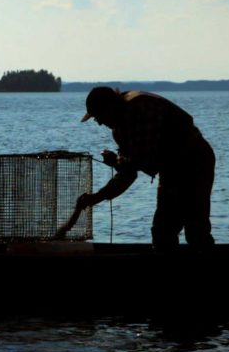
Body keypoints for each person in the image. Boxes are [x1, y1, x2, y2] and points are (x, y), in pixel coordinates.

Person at [77, 86, 215, 249]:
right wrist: (101, 191)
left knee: (196, 230)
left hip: (195, 162)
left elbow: (142, 163)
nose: (99, 123)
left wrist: (102, 189)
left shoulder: (139, 109)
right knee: (162, 233)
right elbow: (130, 172)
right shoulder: (119, 130)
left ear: (109, 107)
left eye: (98, 116)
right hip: (170, 169)